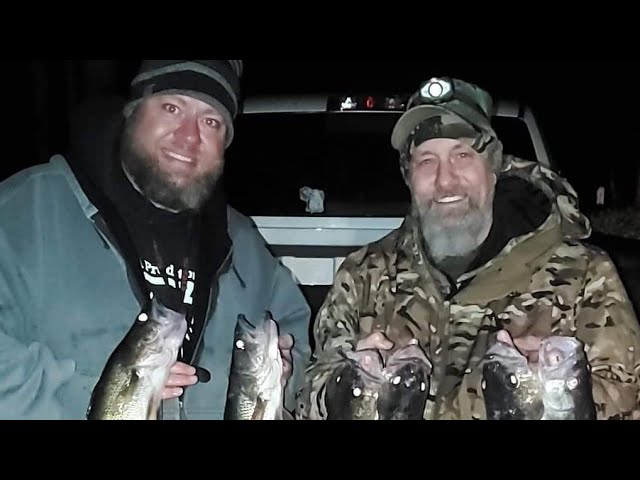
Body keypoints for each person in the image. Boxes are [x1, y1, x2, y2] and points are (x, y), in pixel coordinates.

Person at [295, 77, 640, 420]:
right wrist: (344, 387)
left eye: (462, 155)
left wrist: (554, 393)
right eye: (426, 161)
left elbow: (628, 396)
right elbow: (307, 393)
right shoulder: (363, 277)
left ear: (493, 167)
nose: (445, 181)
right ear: (408, 176)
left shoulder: (583, 274)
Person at [0, 60, 311, 420]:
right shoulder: (24, 211)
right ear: (132, 111)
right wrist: (101, 396)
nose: (190, 136)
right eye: (172, 107)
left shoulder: (241, 242)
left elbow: (296, 334)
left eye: (211, 122)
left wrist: (283, 371)